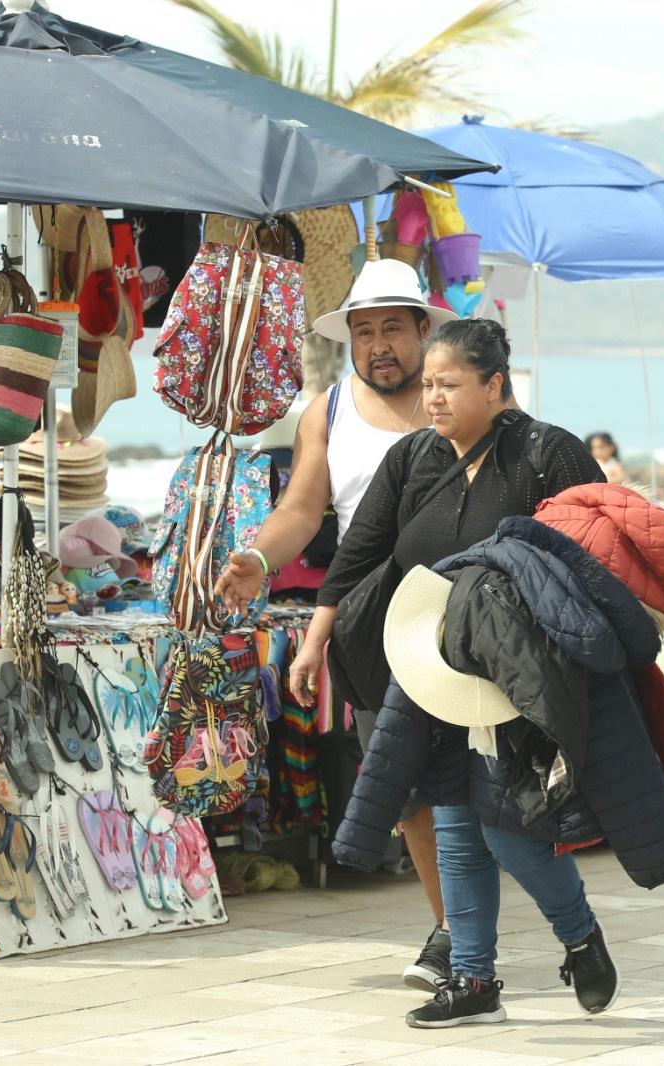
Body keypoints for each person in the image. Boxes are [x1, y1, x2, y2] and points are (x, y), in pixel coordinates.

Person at [317, 318, 618, 1028]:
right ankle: (475, 981)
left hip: (522, 678)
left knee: (510, 828)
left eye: (449, 384)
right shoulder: (413, 458)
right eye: (428, 385)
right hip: (433, 671)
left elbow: (601, 556)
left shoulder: (550, 454)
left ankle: (579, 936)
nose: (433, 398)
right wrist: (314, 640)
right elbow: (358, 554)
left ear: (494, 385)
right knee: (454, 821)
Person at [214, 258, 458, 990]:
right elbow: (301, 510)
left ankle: (536, 917)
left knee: (488, 779)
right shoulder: (329, 409)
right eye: (363, 332)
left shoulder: (460, 394)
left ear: (423, 330)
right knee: (408, 785)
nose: (378, 345)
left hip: (468, 608)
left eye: (392, 328)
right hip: (374, 619)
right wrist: (259, 555)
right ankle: (452, 932)